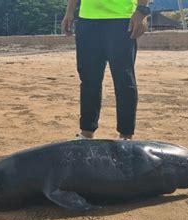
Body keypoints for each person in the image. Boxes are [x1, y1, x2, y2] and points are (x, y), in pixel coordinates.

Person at [61, 0, 151, 140]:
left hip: (121, 18)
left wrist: (141, 11)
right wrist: (69, 11)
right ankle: (86, 132)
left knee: (124, 79)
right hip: (87, 19)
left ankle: (125, 135)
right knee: (88, 79)